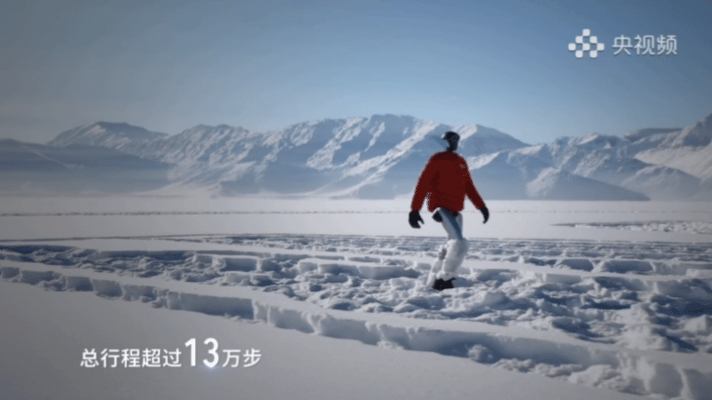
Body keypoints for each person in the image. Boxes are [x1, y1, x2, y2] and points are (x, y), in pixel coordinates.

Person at [409, 131, 489, 291]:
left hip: (456, 211)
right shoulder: (437, 159)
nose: (454, 143)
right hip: (440, 208)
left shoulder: (460, 161)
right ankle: (445, 278)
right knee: (459, 244)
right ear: (444, 142)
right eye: (451, 140)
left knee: (451, 244)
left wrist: (481, 207)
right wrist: (415, 210)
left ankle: (435, 275)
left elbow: (469, 187)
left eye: (456, 140)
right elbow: (423, 183)